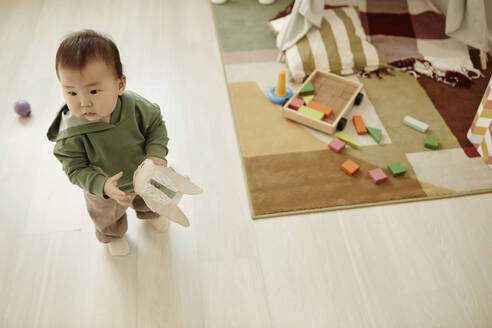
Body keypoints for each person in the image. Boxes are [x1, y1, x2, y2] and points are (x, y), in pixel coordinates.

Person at [47, 30, 170, 256]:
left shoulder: (135, 106)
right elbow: (75, 168)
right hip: (104, 188)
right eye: (72, 92)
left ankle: (151, 213)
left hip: (145, 173)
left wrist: (156, 154)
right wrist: (101, 185)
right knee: (106, 215)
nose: (84, 103)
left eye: (94, 90)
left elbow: (155, 125)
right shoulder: (71, 133)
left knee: (151, 197)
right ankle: (113, 235)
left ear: (120, 84)